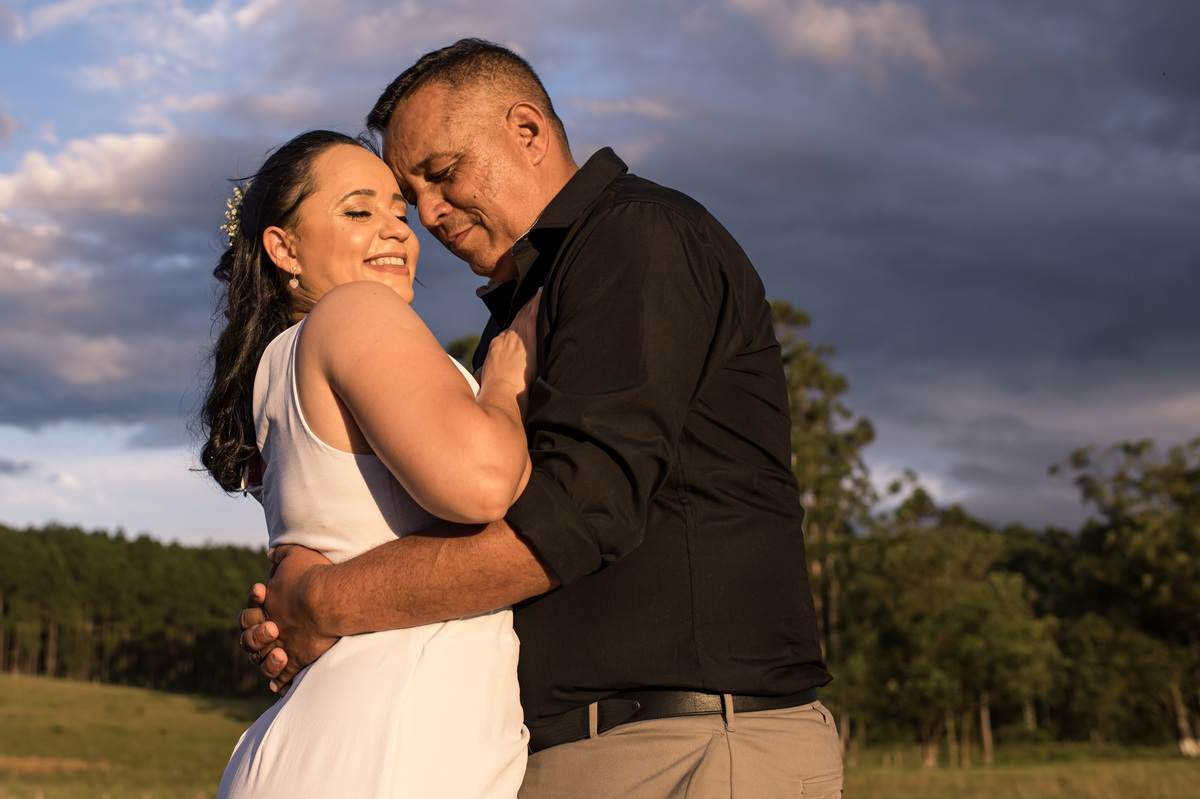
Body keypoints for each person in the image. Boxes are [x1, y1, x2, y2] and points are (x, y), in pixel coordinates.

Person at [240, 39, 844, 797]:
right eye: (405, 193)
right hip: (563, 749)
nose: (424, 215)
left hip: (680, 743)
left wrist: (327, 598)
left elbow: (577, 514)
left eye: (440, 175)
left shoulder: (636, 239)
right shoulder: (519, 307)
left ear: (527, 132)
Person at [198, 129, 538, 798]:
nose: (397, 233)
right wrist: (503, 382)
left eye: (399, 214)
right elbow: (484, 482)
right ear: (283, 247)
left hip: (345, 738)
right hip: (391, 744)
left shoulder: (282, 365)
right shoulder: (355, 311)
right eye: (359, 211)